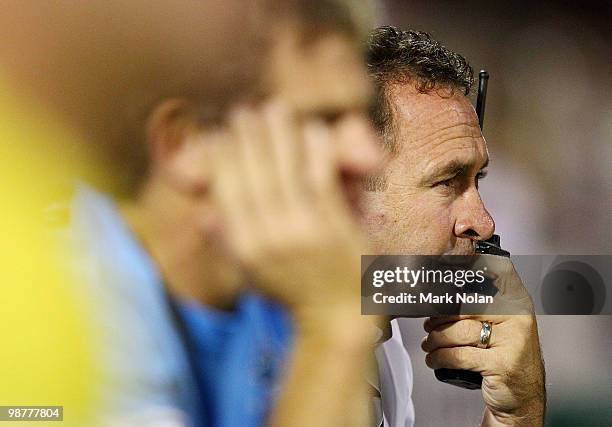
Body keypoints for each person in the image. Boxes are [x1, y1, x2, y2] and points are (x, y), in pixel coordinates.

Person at [58, 2, 414, 426]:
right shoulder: (65, 317)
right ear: (185, 143)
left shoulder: (271, 290)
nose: (367, 155)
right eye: (324, 119)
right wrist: (333, 328)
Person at [363, 26, 546, 426]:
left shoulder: (381, 342)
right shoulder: (244, 356)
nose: (482, 223)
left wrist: (514, 416)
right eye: (447, 182)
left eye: (476, 180)